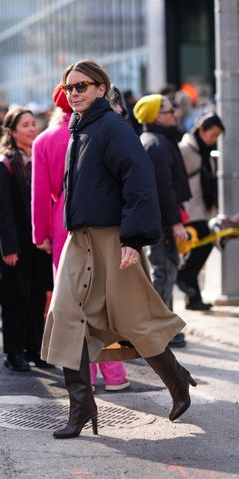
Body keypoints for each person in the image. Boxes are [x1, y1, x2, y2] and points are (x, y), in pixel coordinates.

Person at [40, 60, 196, 439]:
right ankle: (82, 407)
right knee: (63, 314)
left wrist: (133, 238)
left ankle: (176, 381)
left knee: (133, 317)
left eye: (81, 86)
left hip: (113, 238)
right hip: (81, 239)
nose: (74, 93)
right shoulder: (81, 128)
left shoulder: (113, 128)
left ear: (100, 88)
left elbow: (139, 183)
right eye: (69, 88)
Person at [32, 83, 130, 392]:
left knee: (70, 304)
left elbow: (39, 195)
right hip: (100, 219)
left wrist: (40, 234)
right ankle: (115, 373)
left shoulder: (44, 140)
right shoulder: (96, 131)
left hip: (62, 221)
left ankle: (84, 375)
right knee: (102, 298)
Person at [0, 107, 53, 372]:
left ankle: (35, 349)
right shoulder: (4, 164)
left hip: (38, 242)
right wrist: (9, 248)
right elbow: (3, 211)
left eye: (34, 124)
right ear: (12, 132)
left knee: (37, 296)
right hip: (14, 243)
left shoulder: (39, 158)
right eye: (25, 125)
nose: (32, 129)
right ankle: (14, 353)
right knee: (15, 299)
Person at [133, 94, 191, 348]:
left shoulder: (154, 140)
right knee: (164, 271)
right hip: (162, 221)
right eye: (169, 110)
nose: (175, 113)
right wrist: (176, 221)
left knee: (165, 269)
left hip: (158, 219)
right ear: (157, 115)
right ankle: (157, 329)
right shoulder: (157, 143)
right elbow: (163, 188)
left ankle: (164, 326)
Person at [177, 112, 225, 310]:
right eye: (212, 134)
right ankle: (183, 278)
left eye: (217, 136)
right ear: (201, 130)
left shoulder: (201, 149)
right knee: (203, 245)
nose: (213, 140)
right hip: (188, 209)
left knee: (200, 247)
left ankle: (193, 298)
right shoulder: (185, 149)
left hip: (199, 207)